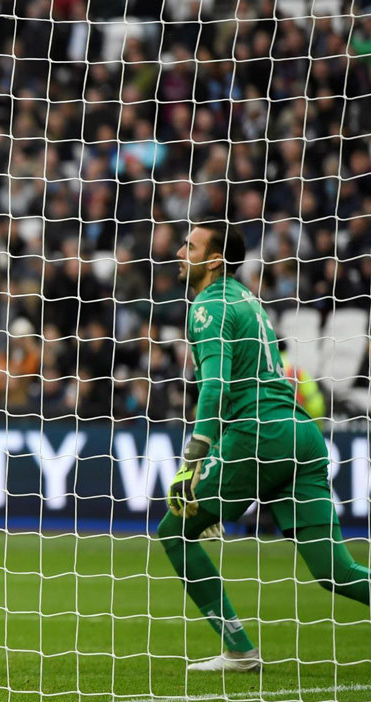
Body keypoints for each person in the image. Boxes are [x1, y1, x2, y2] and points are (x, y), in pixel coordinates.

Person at [158, 222, 370, 672]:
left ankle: (239, 651)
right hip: (301, 434)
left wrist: (192, 462)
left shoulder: (206, 306)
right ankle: (238, 651)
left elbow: (214, 389)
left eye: (189, 246)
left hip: (258, 437)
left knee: (174, 533)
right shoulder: (246, 298)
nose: (179, 251)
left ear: (213, 260)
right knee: (338, 573)